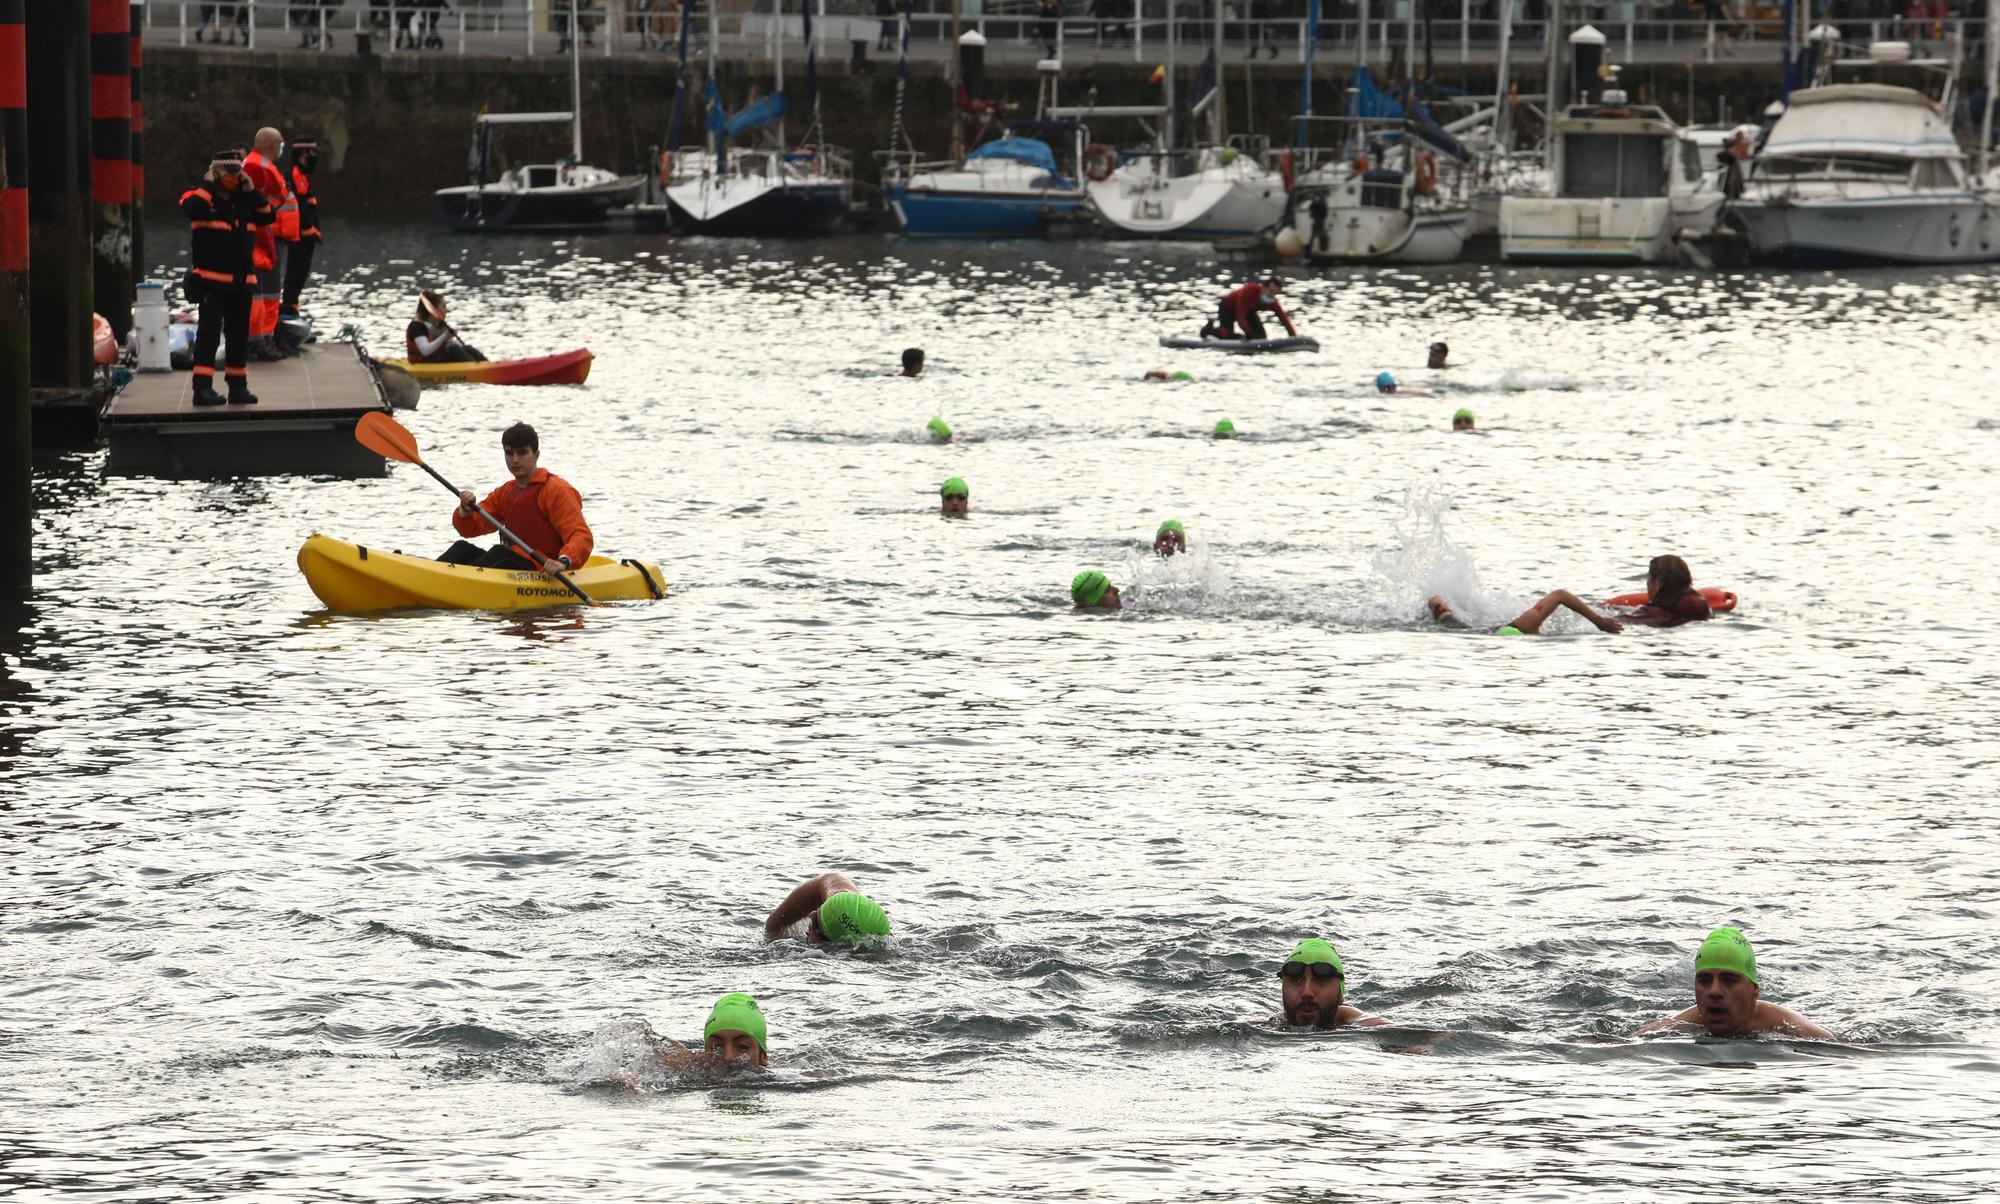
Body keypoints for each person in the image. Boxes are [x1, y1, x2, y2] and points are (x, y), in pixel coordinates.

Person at [180, 150, 275, 406]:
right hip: (211, 282)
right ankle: (202, 389)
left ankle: (238, 387)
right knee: (208, 336)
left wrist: (252, 191)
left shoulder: (244, 201)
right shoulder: (200, 197)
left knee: (238, 337)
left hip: (242, 283)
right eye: (230, 172)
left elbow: (268, 215)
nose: (235, 176)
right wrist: (208, 185)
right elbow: (193, 208)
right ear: (216, 172)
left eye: (238, 171)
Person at [438, 422, 593, 573]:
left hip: (544, 569)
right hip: (512, 562)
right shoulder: (505, 492)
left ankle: (457, 583)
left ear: (536, 455)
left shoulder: (556, 489)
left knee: (499, 553)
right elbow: (470, 529)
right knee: (461, 549)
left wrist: (563, 562)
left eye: (522, 452)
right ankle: (432, 578)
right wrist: (465, 511)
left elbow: (581, 535)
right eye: (509, 453)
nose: (515, 460)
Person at [1638, 927, 1835, 1040]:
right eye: (1705, 980)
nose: (1714, 991)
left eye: (1728, 980)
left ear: (1754, 990)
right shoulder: (1671, 1027)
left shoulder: (1793, 1029)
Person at [241, 127, 298, 359]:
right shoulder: (257, 166)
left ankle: (264, 338)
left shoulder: (261, 165)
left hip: (272, 236)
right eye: (280, 144)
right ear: (273, 145)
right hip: (266, 237)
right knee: (266, 292)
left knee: (269, 293)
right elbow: (257, 203)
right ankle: (259, 340)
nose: (281, 148)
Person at [1272, 939, 1387, 1030]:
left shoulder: (1369, 1026)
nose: (1307, 992)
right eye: (1296, 980)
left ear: (1340, 994)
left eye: (1321, 980)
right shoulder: (1272, 1024)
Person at [764, 872, 893, 945]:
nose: (811, 914)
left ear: (830, 944)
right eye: (820, 909)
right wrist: (774, 924)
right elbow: (829, 879)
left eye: (816, 924)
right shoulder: (842, 901)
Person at [1427, 589, 1623, 636]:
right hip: (1485, 633)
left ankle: (1437, 601)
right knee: (1446, 617)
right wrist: (1598, 621)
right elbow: (1559, 594)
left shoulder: (1527, 627)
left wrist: (1598, 622)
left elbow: (1560, 595)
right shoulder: (1527, 626)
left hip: (1491, 632)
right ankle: (1436, 601)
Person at [280, 134, 322, 322]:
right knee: (295, 273)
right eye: (313, 152)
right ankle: (288, 309)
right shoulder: (295, 175)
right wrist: (309, 228)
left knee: (299, 274)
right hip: (300, 236)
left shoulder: (302, 175)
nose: (315, 156)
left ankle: (291, 308)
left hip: (306, 236)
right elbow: (300, 206)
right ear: (304, 153)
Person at [1618, 554, 1713, 627]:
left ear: (1658, 582)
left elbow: (1619, 622)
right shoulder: (1701, 604)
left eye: (1649, 578)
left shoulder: (1654, 613)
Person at [1202, 277, 1298, 342]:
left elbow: (1284, 319)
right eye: (1270, 291)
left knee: (1261, 336)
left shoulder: (1272, 301)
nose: (1272, 295)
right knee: (1226, 334)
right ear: (1264, 288)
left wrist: (1293, 337)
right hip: (1228, 308)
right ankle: (1208, 330)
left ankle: (1239, 337)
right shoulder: (1250, 290)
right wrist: (1250, 335)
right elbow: (1241, 319)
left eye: (1275, 293)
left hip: (1248, 311)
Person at [405, 291, 487, 364]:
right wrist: (445, 336)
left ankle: (486, 365)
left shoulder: (440, 324)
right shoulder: (417, 326)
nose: (446, 310)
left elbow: (458, 346)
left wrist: (456, 342)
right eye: (443, 307)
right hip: (423, 363)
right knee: (454, 348)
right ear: (433, 309)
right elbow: (425, 351)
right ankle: (475, 369)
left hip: (437, 359)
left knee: (467, 348)